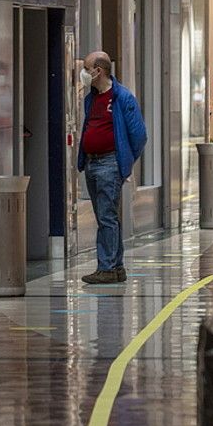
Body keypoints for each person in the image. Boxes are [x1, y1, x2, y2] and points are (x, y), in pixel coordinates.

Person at [76, 51, 148, 285]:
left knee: (107, 217)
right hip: (91, 162)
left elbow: (139, 135)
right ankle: (116, 266)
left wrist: (123, 162)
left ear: (99, 70)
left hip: (110, 163)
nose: (84, 73)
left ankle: (106, 267)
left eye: (87, 68)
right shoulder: (91, 98)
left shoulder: (122, 98)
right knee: (105, 217)